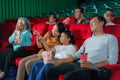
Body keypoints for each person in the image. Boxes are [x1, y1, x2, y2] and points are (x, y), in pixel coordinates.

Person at [45, 15, 118, 80]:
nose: (90, 24)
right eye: (90, 23)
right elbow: (75, 56)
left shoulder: (110, 38)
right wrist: (59, 61)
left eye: (93, 22)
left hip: (94, 69)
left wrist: (93, 65)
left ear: (101, 23)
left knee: (69, 77)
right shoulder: (88, 40)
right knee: (50, 71)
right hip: (79, 64)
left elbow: (113, 59)